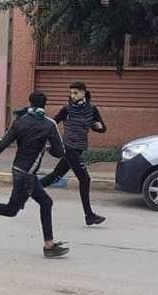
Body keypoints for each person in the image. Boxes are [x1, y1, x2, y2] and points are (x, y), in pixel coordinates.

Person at [0, 91, 70, 259]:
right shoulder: (49, 125)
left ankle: (49, 245)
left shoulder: (20, 122)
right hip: (27, 175)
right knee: (14, 209)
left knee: (44, 203)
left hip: (18, 170)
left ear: (30, 103)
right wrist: (47, 147)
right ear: (45, 105)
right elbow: (59, 152)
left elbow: (2, 142)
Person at [40, 81, 107, 226]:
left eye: (75, 93)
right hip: (68, 147)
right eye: (71, 93)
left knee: (55, 176)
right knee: (85, 179)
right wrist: (50, 142)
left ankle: (27, 189)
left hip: (79, 148)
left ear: (83, 92)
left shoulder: (92, 109)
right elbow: (52, 124)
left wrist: (99, 127)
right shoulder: (67, 109)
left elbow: (102, 128)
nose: (72, 96)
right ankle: (89, 215)